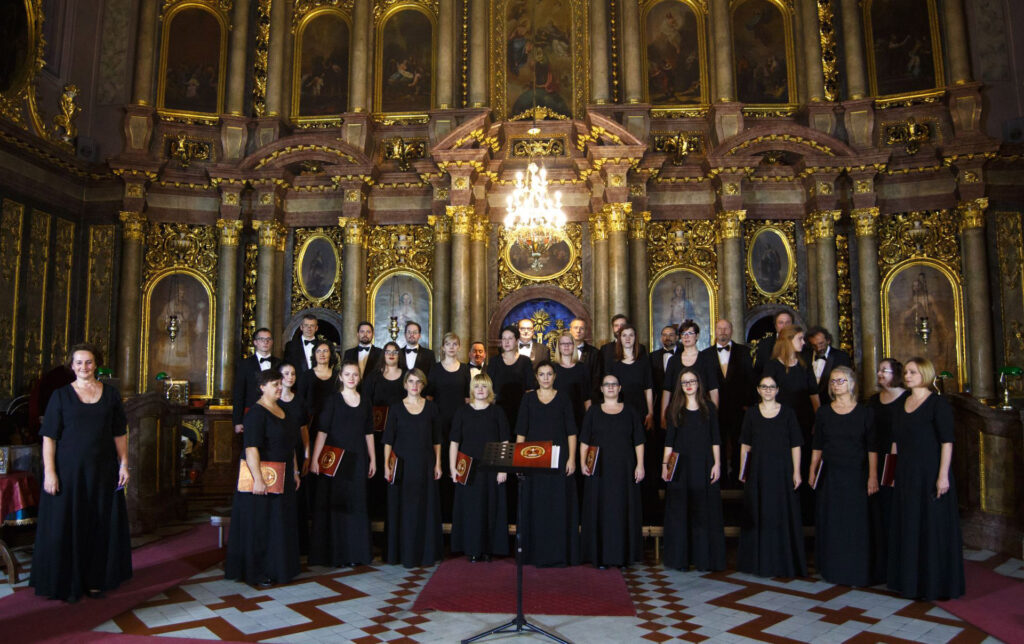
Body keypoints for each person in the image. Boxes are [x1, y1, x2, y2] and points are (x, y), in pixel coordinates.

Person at [31, 344, 132, 602]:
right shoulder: (60, 396)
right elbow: (49, 438)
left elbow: (119, 433)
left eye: (88, 362)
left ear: (96, 364)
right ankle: (67, 581)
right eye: (78, 362)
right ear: (71, 365)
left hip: (103, 471)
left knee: (99, 524)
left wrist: (124, 464)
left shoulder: (111, 395)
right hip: (68, 473)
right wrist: (50, 472)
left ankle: (96, 580)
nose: (83, 367)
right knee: (68, 525)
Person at [887, 357, 964, 600]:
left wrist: (943, 476)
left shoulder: (937, 404)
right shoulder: (901, 403)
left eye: (913, 372)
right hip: (906, 474)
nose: (907, 376)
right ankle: (909, 583)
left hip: (930, 473)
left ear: (925, 374)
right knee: (909, 525)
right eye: (906, 372)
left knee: (931, 528)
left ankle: (934, 584)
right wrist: (889, 474)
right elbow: (895, 442)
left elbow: (947, 442)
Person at [225, 369, 302, 587]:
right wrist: (258, 479)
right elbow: (251, 448)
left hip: (283, 476)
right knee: (262, 525)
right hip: (264, 479)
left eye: (280, 383)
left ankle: (280, 567)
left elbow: (291, 446)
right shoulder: (256, 414)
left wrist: (295, 471)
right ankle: (259, 571)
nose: (280, 387)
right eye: (275, 384)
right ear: (262, 387)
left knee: (279, 523)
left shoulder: (284, 410)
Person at [808, 365, 877, 587]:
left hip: (857, 474)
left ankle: (855, 569)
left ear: (852, 384)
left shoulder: (865, 412)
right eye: (833, 381)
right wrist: (812, 470)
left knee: (855, 522)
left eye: (841, 380)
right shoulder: (824, 412)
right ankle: (833, 568)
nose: (836, 385)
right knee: (833, 521)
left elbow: (872, 447)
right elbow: (818, 444)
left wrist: (873, 476)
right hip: (831, 474)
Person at [737, 374, 806, 578]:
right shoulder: (751, 414)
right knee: (760, 514)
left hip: (782, 472)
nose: (768, 390)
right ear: (758, 390)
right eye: (764, 386)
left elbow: (796, 444)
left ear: (777, 390)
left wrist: (796, 472)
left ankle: (783, 563)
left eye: (771, 387)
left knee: (781, 514)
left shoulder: (788, 413)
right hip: (758, 472)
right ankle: (759, 562)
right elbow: (745, 445)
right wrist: (743, 470)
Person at [309, 361, 376, 567]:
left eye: (355, 374)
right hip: (336, 459)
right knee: (337, 504)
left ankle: (356, 553)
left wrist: (373, 459)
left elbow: (369, 433)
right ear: (340, 377)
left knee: (357, 503)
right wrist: (314, 459)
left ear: (359, 378)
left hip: (358, 458)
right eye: (347, 374)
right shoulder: (332, 401)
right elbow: (322, 432)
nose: (351, 378)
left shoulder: (365, 402)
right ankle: (336, 554)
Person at [515, 360, 580, 567]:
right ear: (536, 377)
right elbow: (521, 431)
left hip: (559, 459)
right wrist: (519, 460)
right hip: (533, 459)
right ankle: (534, 554)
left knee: (557, 504)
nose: (545, 378)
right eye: (541, 374)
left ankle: (558, 554)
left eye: (549, 374)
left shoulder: (563, 398)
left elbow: (571, 431)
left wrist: (572, 459)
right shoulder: (528, 399)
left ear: (555, 376)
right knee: (536, 503)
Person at [662, 368, 726, 571]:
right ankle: (680, 559)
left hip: (704, 463)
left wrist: (717, 463)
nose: (688, 385)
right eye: (684, 382)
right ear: (680, 386)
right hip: (680, 466)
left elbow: (715, 438)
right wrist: (665, 466)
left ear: (698, 383)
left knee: (703, 511)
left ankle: (703, 559)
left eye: (692, 381)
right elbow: (669, 441)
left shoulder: (709, 407)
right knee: (680, 511)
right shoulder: (674, 408)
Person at [580, 374, 645, 569]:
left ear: (619, 388)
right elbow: (584, 440)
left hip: (624, 470)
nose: (610, 387)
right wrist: (582, 462)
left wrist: (640, 465)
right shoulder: (593, 411)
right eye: (607, 384)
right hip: (599, 469)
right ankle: (600, 557)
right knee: (600, 509)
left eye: (614, 384)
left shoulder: (630, 411)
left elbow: (639, 440)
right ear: (601, 389)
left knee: (622, 510)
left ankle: (623, 557)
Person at [382, 369, 443, 568]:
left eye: (418, 382)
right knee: (403, 509)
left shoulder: (432, 408)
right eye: (411, 381)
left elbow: (437, 439)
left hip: (425, 464)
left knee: (425, 509)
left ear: (423, 385)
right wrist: (386, 465)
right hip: (402, 466)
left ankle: (425, 553)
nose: (414, 385)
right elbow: (388, 440)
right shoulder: (396, 408)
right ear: (405, 384)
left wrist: (438, 463)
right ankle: (402, 553)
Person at [448, 373, 510, 562]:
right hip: (468, 469)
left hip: (491, 468)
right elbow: (454, 442)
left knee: (490, 507)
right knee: (471, 509)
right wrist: (453, 468)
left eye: (484, 386)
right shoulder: (462, 412)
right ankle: (472, 549)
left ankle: (489, 549)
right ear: (471, 390)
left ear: (489, 389)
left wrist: (503, 468)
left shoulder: (497, 412)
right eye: (477, 386)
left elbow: (505, 442)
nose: (480, 390)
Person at [762, 325, 819, 522]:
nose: (803, 342)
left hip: (804, 423)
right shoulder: (772, 366)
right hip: (780, 425)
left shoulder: (804, 364)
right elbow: (766, 397)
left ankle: (805, 512)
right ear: (788, 340)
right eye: (800, 339)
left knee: (803, 463)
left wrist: (818, 421)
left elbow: (814, 395)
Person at [700, 319, 755, 487]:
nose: (723, 331)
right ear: (715, 331)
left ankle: (739, 478)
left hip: (739, 407)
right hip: (715, 409)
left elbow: (750, 380)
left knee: (739, 442)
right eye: (720, 328)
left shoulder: (744, 352)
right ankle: (720, 477)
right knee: (718, 442)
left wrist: (748, 404)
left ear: (731, 330)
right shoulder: (705, 354)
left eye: (726, 328)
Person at [866, 357, 906, 584]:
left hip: (897, 461)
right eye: (879, 370)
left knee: (894, 510)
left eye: (885, 370)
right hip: (876, 459)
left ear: (896, 374)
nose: (880, 374)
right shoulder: (873, 401)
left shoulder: (907, 399)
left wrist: (891, 472)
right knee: (879, 512)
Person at [427, 332, 472, 522]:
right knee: (441, 460)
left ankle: (457, 511)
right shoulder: (435, 369)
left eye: (455, 344)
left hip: (460, 422)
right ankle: (442, 511)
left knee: (459, 461)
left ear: (459, 347)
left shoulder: (465, 369)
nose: (452, 347)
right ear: (443, 347)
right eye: (448, 344)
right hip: (439, 422)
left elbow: (468, 398)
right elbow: (429, 398)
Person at [362, 341, 406, 520]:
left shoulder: (407, 376)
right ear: (383, 354)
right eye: (388, 351)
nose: (391, 355)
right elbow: (365, 404)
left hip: (401, 434)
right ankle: (378, 515)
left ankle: (396, 514)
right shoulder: (373, 377)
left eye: (395, 352)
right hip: (377, 434)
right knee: (379, 469)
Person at [278, 363, 311, 554]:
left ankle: (300, 544)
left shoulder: (300, 401)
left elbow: (304, 429)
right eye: (286, 374)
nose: (290, 377)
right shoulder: (274, 401)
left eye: (293, 374)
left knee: (299, 497)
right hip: (280, 452)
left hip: (298, 449)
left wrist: (307, 454)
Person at [662, 319, 720, 423]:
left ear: (697, 336)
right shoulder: (673, 361)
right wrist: (663, 416)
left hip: (702, 412)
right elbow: (667, 391)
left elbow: (713, 389)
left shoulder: (707, 359)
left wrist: (714, 415)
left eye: (690, 333)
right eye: (683, 334)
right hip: (677, 412)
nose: (686, 336)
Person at [605, 324, 654, 430]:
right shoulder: (613, 363)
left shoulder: (643, 361)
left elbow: (648, 388)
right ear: (620, 339)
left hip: (640, 409)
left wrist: (650, 412)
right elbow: (609, 389)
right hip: (619, 409)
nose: (627, 338)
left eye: (631, 335)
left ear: (635, 338)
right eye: (624, 335)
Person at [486, 325, 537, 429]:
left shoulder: (525, 361)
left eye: (510, 338)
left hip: (520, 410)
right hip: (498, 410)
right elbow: (488, 387)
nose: (506, 342)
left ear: (517, 341)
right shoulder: (494, 361)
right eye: (504, 338)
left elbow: (530, 388)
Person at [233, 328, 280, 433]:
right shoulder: (244, 364)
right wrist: (237, 421)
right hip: (252, 413)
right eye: (262, 339)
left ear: (272, 342)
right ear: (255, 342)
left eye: (268, 339)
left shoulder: (280, 363)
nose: (265, 342)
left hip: (275, 413)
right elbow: (239, 393)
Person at [552, 331, 592, 428]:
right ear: (559, 347)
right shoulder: (552, 368)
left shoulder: (582, 368)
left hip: (578, 416)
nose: (566, 346)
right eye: (563, 343)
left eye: (569, 343)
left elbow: (587, 398)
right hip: (556, 416)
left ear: (574, 346)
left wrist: (588, 420)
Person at [803, 326, 852, 400]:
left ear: (828, 340)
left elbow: (847, 383)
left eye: (821, 344)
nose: (818, 348)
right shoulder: (804, 357)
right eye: (814, 345)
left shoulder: (841, 357)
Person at [753, 310, 793, 378]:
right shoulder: (764, 344)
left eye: (787, 322)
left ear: (792, 325)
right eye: (781, 323)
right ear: (775, 326)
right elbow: (758, 369)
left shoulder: (800, 343)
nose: (784, 326)